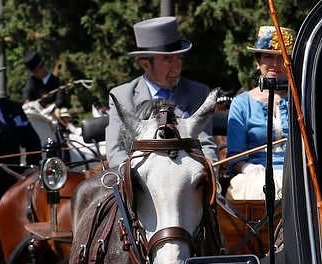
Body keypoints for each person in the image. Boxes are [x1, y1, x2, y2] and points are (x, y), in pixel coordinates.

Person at [104, 17, 221, 168]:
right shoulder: (122, 97)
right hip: (141, 182)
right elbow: (116, 153)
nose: (177, 67)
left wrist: (208, 173)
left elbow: (206, 145)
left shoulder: (198, 92)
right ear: (145, 65)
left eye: (179, 58)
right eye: (168, 60)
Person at [226, 25, 293, 200]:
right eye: (267, 57)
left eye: (281, 58)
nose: (275, 64)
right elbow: (235, 157)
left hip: (297, 172)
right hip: (257, 176)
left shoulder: (301, 101)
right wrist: (248, 168)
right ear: (258, 62)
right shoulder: (241, 103)